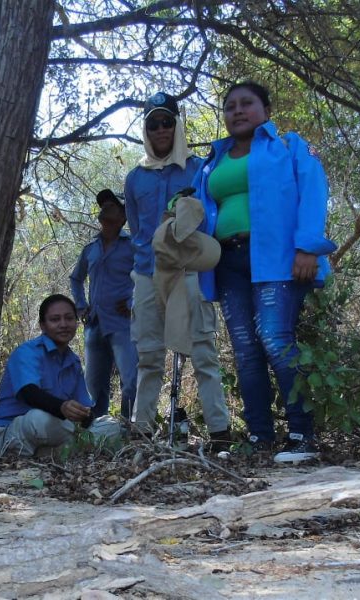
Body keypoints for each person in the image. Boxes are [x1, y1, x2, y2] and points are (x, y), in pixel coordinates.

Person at [192, 81, 336, 463]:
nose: (237, 111)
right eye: (229, 106)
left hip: (277, 259)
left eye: (246, 104)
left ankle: (302, 436)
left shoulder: (287, 146)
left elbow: (314, 190)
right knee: (244, 350)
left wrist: (308, 247)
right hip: (227, 261)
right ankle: (260, 437)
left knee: (275, 339)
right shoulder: (213, 160)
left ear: (265, 110)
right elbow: (195, 201)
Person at [124, 91, 231, 448]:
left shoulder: (199, 168)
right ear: (146, 128)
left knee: (202, 349)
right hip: (147, 274)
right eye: (153, 123)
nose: (160, 129)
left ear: (177, 124)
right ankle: (142, 430)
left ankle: (220, 432)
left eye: (167, 121)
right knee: (148, 354)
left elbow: (209, 218)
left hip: (190, 272)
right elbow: (137, 229)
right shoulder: (135, 177)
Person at [0, 294, 122, 456]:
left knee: (111, 426)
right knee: (40, 419)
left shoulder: (73, 362)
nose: (63, 324)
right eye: (55, 319)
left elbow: (84, 409)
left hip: (58, 430)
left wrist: (84, 415)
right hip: (12, 431)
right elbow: (28, 393)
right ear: (43, 325)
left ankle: (55, 451)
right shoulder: (26, 352)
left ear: (76, 323)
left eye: (69, 318)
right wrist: (62, 407)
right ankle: (74, 448)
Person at [70, 189, 138, 419]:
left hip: (123, 323)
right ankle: (97, 429)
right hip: (94, 323)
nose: (106, 210)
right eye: (103, 208)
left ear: (123, 218)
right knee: (94, 386)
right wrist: (80, 305)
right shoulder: (91, 249)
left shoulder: (132, 246)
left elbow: (147, 275)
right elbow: (76, 278)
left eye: (112, 207)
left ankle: (129, 427)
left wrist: (133, 302)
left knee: (131, 380)